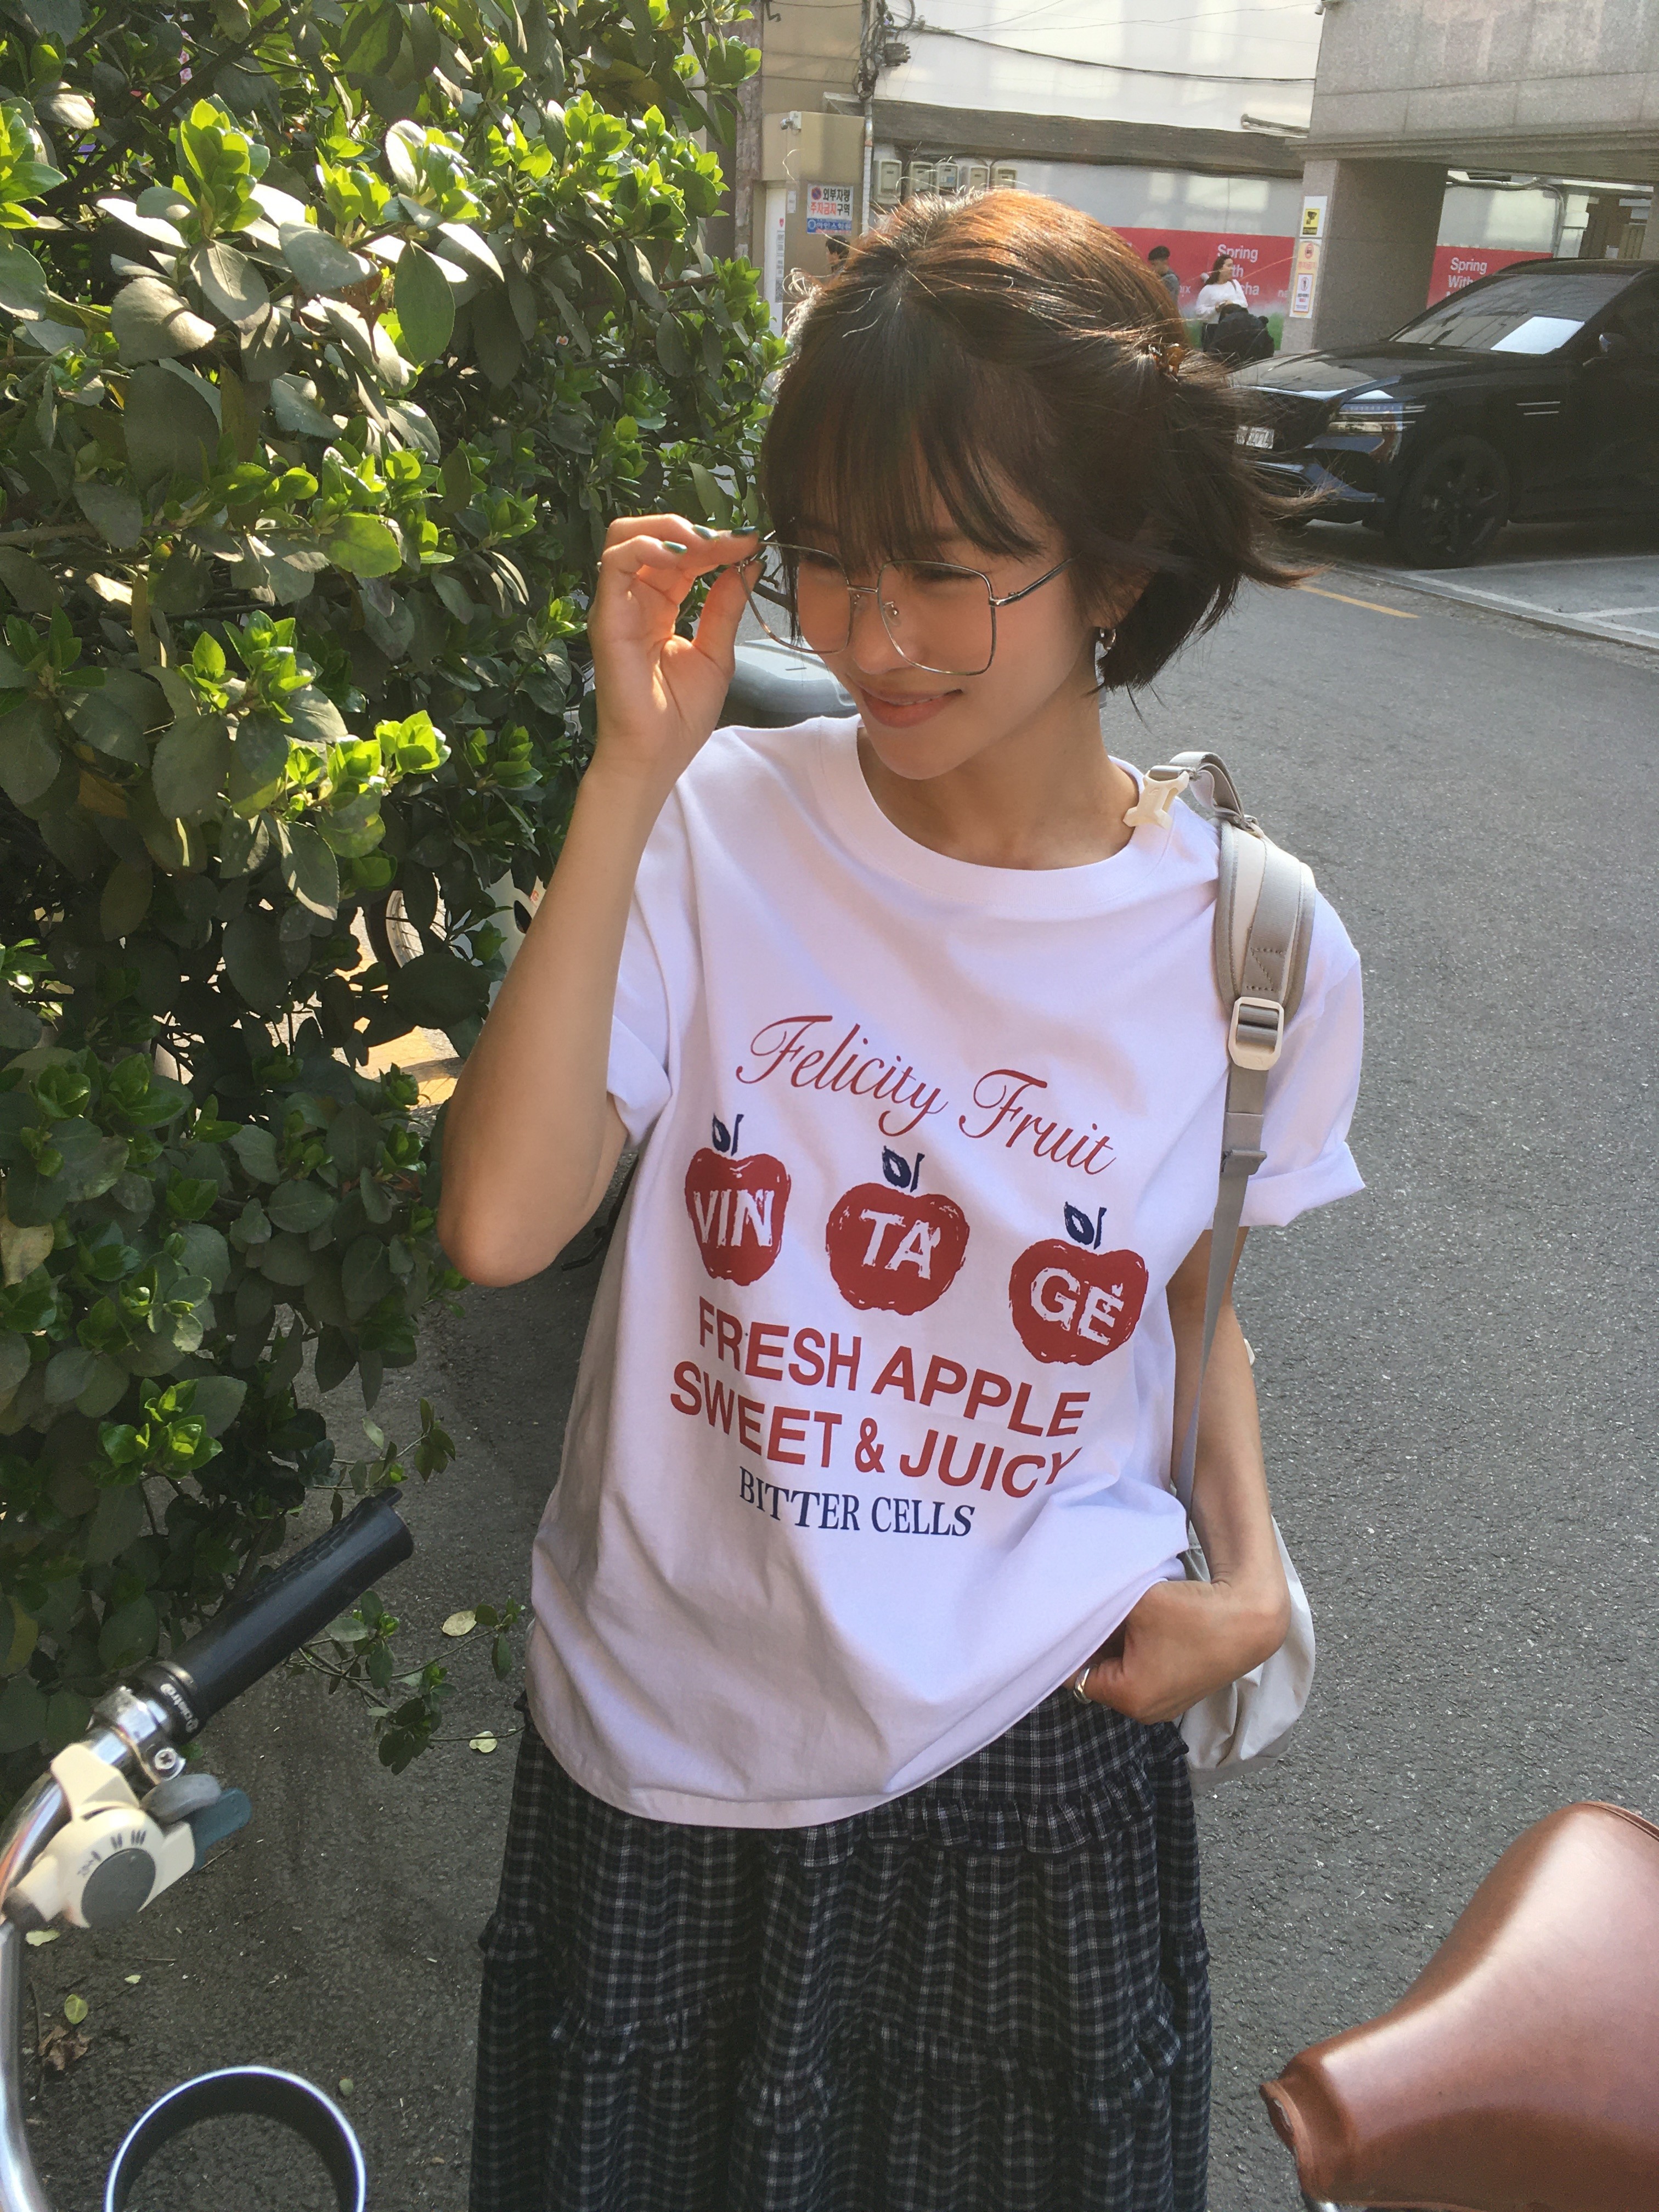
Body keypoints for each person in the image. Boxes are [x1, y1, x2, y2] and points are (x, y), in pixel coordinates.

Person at [447, 191, 1364, 2212]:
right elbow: (503, 1224)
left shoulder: (1255, 949)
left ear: (1115, 562)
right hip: (668, 1725)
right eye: (832, 559)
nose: (869, 638)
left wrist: (1253, 1577)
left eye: (945, 571)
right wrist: (625, 772)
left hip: (1029, 1754)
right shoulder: (711, 825)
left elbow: (1184, 1287)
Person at [1194, 251, 1249, 324]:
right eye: (1229, 266)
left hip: (1233, 327)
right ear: (1220, 269)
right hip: (1214, 327)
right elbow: (1198, 312)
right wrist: (1215, 309)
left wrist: (1231, 304)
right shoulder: (1208, 289)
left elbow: (1244, 304)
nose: (1232, 269)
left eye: (1232, 266)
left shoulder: (1235, 284)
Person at [1147, 240, 1181, 309]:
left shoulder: (1171, 280)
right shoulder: (1158, 277)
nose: (1152, 268)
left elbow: (1166, 305)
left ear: (1165, 262)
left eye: (1154, 265)